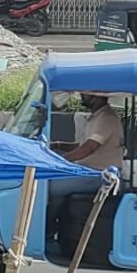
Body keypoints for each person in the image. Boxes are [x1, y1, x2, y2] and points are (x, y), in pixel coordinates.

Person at [46, 93, 125, 245]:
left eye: (86, 94)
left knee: (50, 187)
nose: (82, 96)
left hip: (99, 174)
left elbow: (89, 148)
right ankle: (52, 228)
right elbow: (82, 145)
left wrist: (59, 161)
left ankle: (47, 230)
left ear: (98, 96)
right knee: (55, 187)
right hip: (87, 169)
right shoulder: (97, 116)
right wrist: (57, 145)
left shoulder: (106, 118)